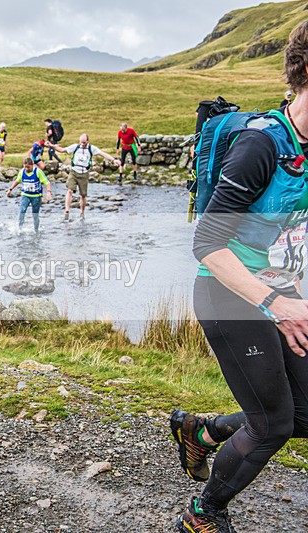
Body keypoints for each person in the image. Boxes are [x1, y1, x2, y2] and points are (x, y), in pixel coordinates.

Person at [172, 20, 308, 533]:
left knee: (305, 414)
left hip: (281, 292)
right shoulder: (261, 145)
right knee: (272, 423)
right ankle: (203, 513)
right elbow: (206, 245)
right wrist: (276, 301)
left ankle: (200, 432)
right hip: (228, 294)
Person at [48, 133, 118, 221]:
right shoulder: (75, 147)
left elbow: (103, 154)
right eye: (81, 142)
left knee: (82, 195)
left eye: (84, 142)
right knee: (70, 190)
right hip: (74, 171)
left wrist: (114, 160)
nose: (82, 144)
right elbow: (62, 150)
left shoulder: (91, 148)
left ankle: (82, 213)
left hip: (84, 173)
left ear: (87, 141)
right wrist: (52, 146)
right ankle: (66, 212)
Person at [6, 157, 52, 233]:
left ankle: (36, 231)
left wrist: (48, 192)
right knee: (22, 211)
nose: (26, 169)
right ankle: (19, 229)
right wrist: (10, 189)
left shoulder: (38, 172)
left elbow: (47, 182)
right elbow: (17, 180)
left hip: (36, 197)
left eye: (28, 167)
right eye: (25, 167)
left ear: (32, 165)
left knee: (35, 215)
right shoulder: (22, 172)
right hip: (25, 195)